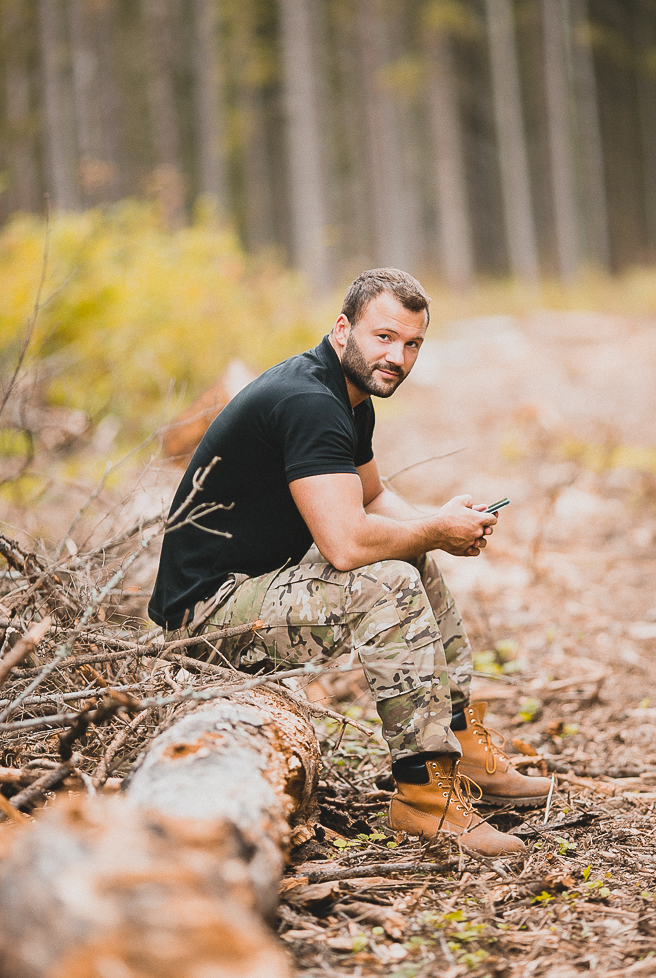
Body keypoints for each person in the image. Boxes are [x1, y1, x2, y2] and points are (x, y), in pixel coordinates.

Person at [149, 268, 550, 857]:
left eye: (412, 344)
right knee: (385, 582)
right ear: (343, 330)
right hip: (208, 614)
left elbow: (373, 499)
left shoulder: (347, 394)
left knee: (412, 560)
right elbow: (345, 546)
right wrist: (435, 530)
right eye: (383, 337)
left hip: (252, 589)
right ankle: (423, 797)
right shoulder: (311, 402)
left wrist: (435, 526)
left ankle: (460, 746)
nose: (398, 357)